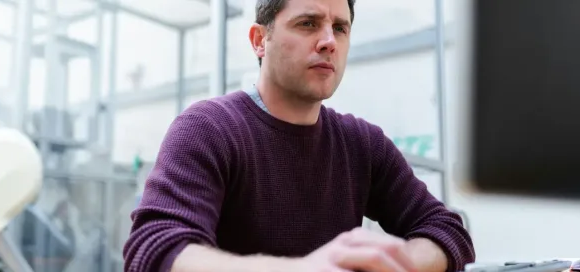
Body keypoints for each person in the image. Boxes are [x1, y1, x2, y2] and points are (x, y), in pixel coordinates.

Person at [123, 0, 476, 271]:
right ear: (260, 40)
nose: (328, 42)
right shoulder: (208, 128)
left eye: (340, 28)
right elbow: (155, 249)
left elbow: (447, 230)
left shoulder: (362, 144)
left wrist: (393, 262)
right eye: (308, 24)